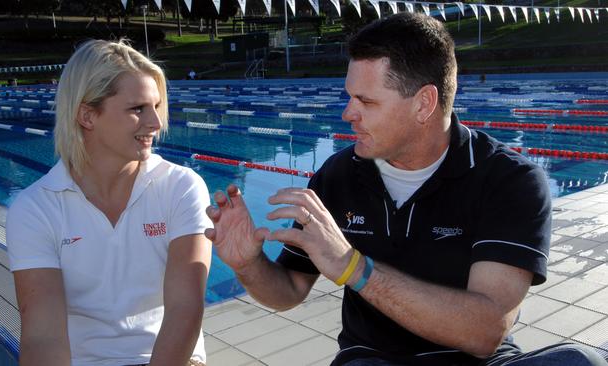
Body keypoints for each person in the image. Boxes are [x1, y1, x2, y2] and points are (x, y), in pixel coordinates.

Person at [205, 13, 608, 366]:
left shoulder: (509, 181)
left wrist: (352, 267)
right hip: (372, 358)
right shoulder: (339, 176)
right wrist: (248, 265)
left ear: (423, 104)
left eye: (366, 100)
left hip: (477, 361)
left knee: (583, 360)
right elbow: (289, 290)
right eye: (349, 97)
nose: (348, 113)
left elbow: (486, 332)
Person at [6, 39, 212, 366]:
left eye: (156, 107)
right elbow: (43, 336)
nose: (156, 124)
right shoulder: (35, 209)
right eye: (137, 109)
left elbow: (185, 308)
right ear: (88, 115)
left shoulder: (180, 187)